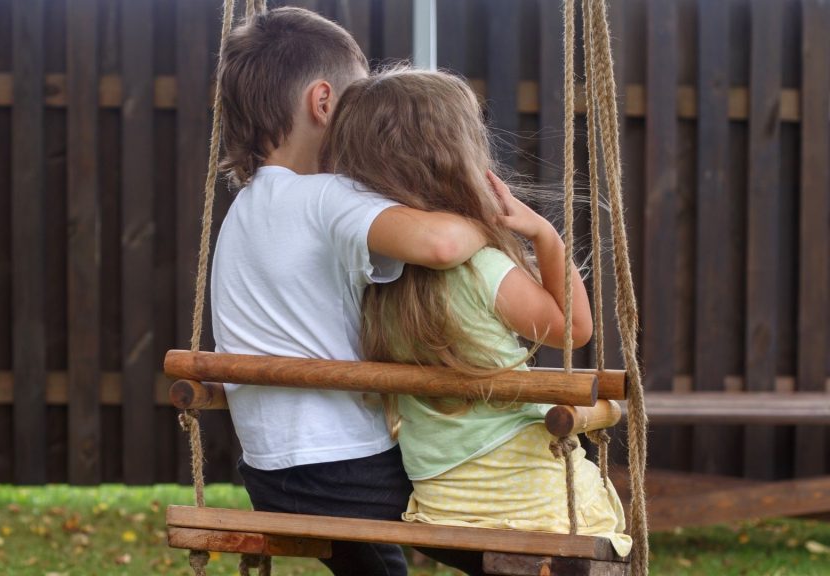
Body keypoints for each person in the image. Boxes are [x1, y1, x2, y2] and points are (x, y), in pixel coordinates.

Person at [321, 68, 633, 575]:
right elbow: (573, 330)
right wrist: (546, 237)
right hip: (529, 501)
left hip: (444, 498)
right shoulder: (480, 268)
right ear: (459, 157)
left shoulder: (368, 274)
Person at [211, 8, 490, 575]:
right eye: (360, 100)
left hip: (271, 473)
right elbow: (440, 244)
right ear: (324, 102)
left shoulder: (246, 206)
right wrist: (497, 219)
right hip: (343, 468)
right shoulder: (326, 198)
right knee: (500, 522)